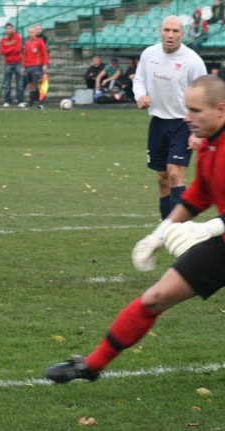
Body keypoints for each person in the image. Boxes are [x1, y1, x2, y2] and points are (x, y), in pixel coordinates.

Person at [45, 74, 225, 384]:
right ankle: (92, 365)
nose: (187, 118)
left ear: (220, 109)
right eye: (186, 109)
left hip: (216, 232)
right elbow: (199, 195)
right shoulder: (209, 146)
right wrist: (160, 233)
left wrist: (207, 228)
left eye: (195, 111)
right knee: (156, 297)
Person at [132, 15, 207, 221]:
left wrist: (197, 131)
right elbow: (139, 80)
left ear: (182, 34)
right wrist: (140, 95)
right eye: (167, 30)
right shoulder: (149, 54)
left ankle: (178, 228)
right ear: (160, 31)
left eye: (175, 31)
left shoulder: (193, 61)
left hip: (184, 123)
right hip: (158, 122)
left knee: (175, 174)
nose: (170, 35)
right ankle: (166, 226)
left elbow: (204, 96)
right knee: (163, 178)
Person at [19, 25, 49, 110]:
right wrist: (23, 66)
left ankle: (41, 103)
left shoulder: (39, 42)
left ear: (35, 33)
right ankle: (31, 102)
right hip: (28, 66)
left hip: (37, 66)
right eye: (29, 32)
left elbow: (44, 53)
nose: (30, 34)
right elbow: (25, 55)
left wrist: (45, 64)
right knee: (30, 85)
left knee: (39, 84)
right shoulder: (27, 43)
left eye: (32, 32)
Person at [0, 23, 23, 107]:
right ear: (5, 30)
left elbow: (18, 49)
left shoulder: (17, 37)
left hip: (18, 62)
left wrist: (8, 50)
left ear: (13, 29)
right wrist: (12, 48)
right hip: (8, 63)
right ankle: (7, 101)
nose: (9, 30)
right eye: (7, 28)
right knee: (7, 84)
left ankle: (20, 101)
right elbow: (2, 52)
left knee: (19, 83)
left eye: (10, 28)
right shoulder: (2, 40)